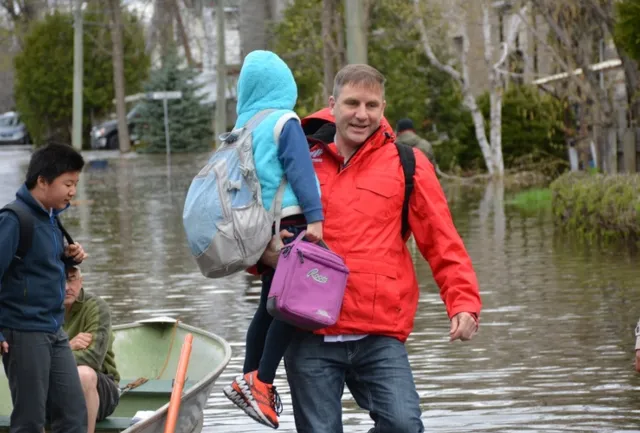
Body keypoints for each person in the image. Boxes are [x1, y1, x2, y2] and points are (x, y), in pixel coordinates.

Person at [260, 64, 482, 433]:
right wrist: (262, 259)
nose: (361, 114)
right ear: (332, 105)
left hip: (379, 332)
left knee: (404, 425)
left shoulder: (408, 164)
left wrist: (463, 302)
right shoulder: (295, 157)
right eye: (352, 103)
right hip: (307, 331)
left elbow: (443, 241)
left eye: (371, 105)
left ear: (383, 108)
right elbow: (253, 226)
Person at [222, 50, 324, 429]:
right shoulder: (284, 120)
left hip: (264, 232)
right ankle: (262, 380)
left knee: (268, 304)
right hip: (294, 225)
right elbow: (300, 171)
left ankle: (249, 377)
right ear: (285, 85)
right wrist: (316, 219)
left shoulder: (243, 126)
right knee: (294, 307)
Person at [0, 143, 89, 433]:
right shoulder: (14, 219)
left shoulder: (51, 218)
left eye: (75, 183)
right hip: (23, 331)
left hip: (53, 329)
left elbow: (34, 267)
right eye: (67, 183)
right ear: (42, 181)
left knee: (74, 415)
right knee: (29, 421)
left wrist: (67, 258)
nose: (72, 191)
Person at [62, 266, 120, 433]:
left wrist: (51, 354)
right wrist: (68, 346)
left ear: (81, 281)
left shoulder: (96, 307)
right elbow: (33, 357)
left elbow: (93, 358)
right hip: (56, 386)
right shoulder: (43, 309)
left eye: (72, 279)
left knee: (84, 374)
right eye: (61, 279)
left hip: (102, 391)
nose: (67, 287)